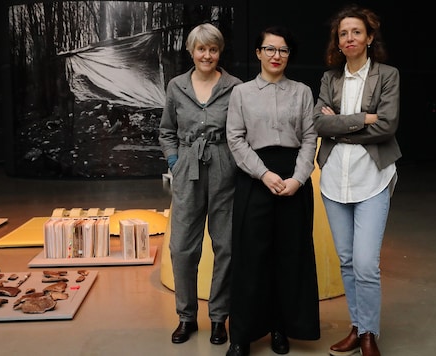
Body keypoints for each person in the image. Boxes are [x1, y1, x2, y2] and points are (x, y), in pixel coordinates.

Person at [225, 25, 320, 356]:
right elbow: (235, 138)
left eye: (282, 50)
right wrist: (263, 173)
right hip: (255, 177)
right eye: (270, 49)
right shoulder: (242, 93)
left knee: (289, 256)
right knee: (251, 258)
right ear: (258, 53)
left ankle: (282, 328)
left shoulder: (303, 92)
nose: (276, 55)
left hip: (294, 176)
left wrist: (298, 178)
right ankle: (242, 335)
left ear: (288, 55)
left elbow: (310, 138)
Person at [313, 4, 401, 356]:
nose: (349, 38)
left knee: (366, 263)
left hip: (373, 179)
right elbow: (319, 124)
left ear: (369, 37)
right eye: (343, 33)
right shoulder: (329, 79)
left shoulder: (388, 75)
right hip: (334, 180)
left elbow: (387, 126)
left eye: (356, 32)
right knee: (347, 261)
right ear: (338, 40)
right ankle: (357, 327)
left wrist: (342, 125)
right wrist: (363, 118)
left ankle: (370, 335)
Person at [158, 23, 242, 346]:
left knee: (227, 247)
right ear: (191, 51)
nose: (207, 55)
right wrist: (175, 162)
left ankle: (220, 318)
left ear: (219, 53)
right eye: (201, 49)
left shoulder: (235, 87)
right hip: (188, 167)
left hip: (224, 167)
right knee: (182, 248)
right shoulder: (176, 86)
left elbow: (243, 130)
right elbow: (167, 131)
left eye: (213, 49)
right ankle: (186, 317)